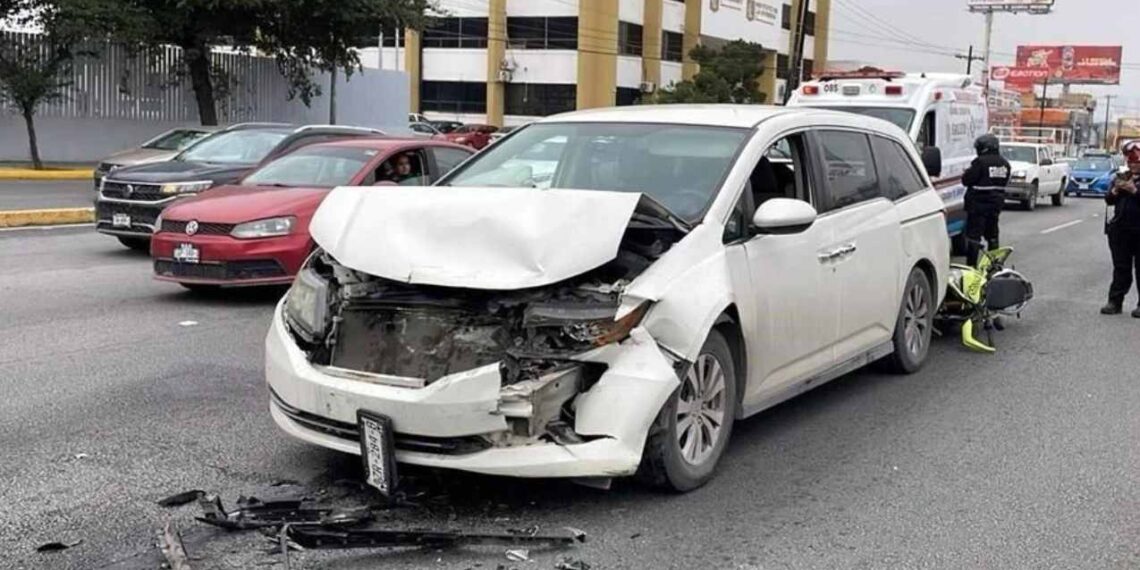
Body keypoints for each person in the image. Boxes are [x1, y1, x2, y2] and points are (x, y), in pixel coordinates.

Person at [1100, 141, 1140, 316]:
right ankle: (1115, 302)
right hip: (1120, 229)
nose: (1133, 165)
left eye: (1136, 162)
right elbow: (1108, 200)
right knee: (1121, 268)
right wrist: (1115, 190)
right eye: (1130, 161)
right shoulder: (1121, 176)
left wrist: (1134, 190)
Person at [961, 134, 1012, 267]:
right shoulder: (1005, 164)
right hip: (996, 204)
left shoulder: (980, 162)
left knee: (974, 236)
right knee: (993, 234)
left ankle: (971, 266)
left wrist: (966, 173)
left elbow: (967, 180)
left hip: (978, 204)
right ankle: (993, 265)